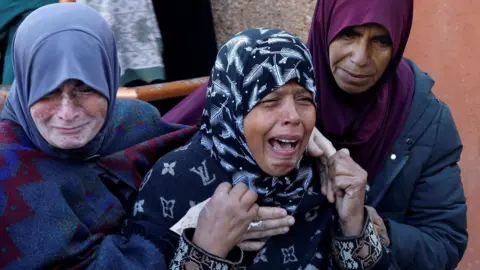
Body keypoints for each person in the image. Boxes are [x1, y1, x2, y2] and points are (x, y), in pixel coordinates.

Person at [161, 0, 468, 269]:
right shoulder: (272, 71)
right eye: (349, 33)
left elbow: (445, 241)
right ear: (326, 24)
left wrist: (371, 229)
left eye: (381, 41)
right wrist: (204, 244)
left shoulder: (425, 120)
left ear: (399, 41)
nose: (360, 57)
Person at [128, 28, 388, 269]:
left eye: (304, 99)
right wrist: (207, 249)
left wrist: (354, 224)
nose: (294, 116)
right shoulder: (174, 182)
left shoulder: (325, 181)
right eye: (270, 100)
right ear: (232, 105)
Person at [0, 3, 197, 269]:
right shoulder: (8, 171)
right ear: (24, 87)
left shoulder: (132, 122)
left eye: (84, 89)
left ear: (108, 78)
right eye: (46, 91)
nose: (67, 113)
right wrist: (198, 243)